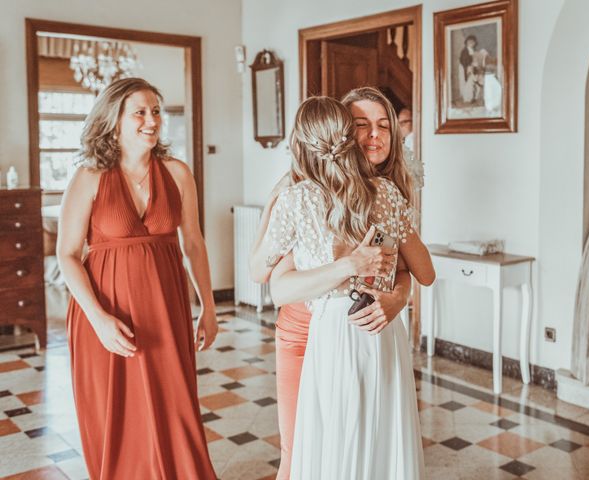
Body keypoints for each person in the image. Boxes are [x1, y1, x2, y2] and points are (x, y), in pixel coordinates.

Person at [250, 87, 433, 479]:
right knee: (299, 452)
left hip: (361, 323)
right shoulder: (297, 193)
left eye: (383, 125)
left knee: (361, 441)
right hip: (304, 331)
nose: (373, 136)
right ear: (342, 135)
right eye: (361, 126)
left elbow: (399, 266)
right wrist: (351, 265)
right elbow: (274, 282)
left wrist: (396, 297)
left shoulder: (386, 193)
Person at [57, 78, 218, 479]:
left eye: (156, 111)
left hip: (166, 309)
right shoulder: (89, 177)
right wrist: (98, 319)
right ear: (114, 121)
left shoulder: (178, 173)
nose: (152, 120)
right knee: (119, 416)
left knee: (173, 407)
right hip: (106, 316)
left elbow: (194, 244)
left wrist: (209, 308)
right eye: (140, 112)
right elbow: (67, 254)